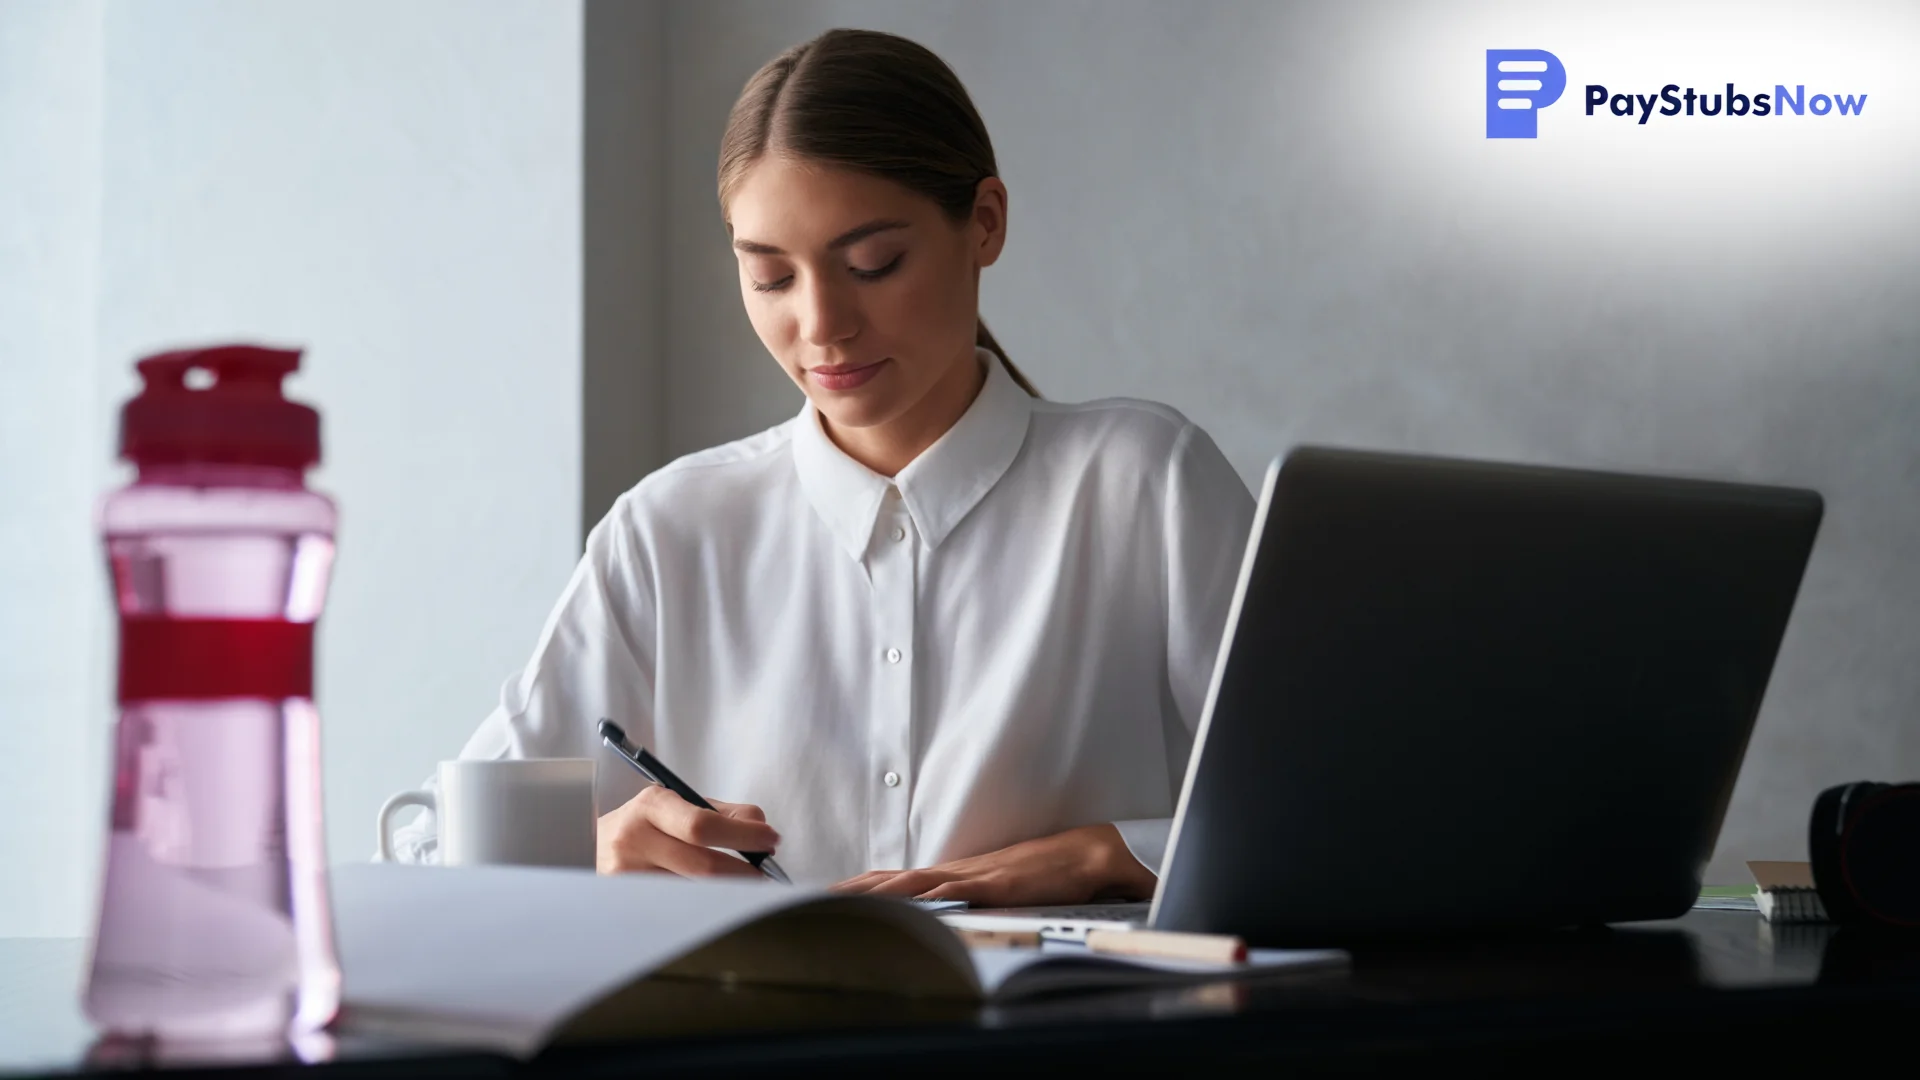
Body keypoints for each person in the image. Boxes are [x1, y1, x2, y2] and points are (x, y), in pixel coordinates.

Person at [391, 27, 1253, 907]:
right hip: (755, 1039)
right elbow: (422, 854)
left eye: (873, 265)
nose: (824, 324)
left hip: (1070, 1041)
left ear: (984, 223)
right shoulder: (670, 532)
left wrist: (1110, 852)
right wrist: (597, 848)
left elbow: (1358, 810)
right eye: (770, 278)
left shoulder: (1145, 484)